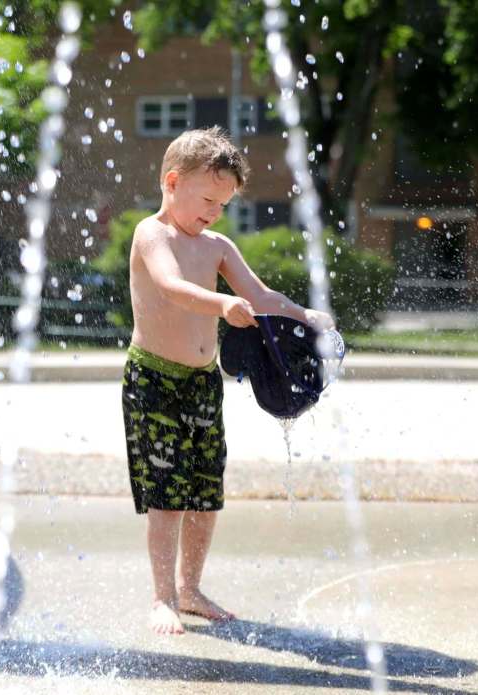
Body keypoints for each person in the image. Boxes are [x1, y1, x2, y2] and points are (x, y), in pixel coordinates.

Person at [122, 126, 335, 635]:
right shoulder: (153, 235)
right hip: (155, 379)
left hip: (201, 383)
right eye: (207, 200)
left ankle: (191, 589)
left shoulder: (216, 245)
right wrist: (221, 304)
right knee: (168, 496)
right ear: (172, 182)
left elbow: (261, 297)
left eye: (222, 205)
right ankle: (162, 597)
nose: (214, 212)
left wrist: (304, 315)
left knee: (204, 492)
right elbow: (171, 287)